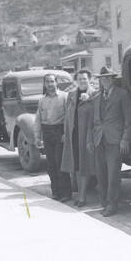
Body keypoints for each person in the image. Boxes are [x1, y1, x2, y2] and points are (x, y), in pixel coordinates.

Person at [87, 66, 131, 217]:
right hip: (98, 139)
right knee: (100, 174)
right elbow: (91, 122)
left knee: (113, 174)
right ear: (99, 80)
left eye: (108, 78)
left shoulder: (122, 94)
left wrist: (125, 139)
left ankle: (112, 204)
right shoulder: (95, 97)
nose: (105, 80)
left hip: (115, 140)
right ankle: (103, 203)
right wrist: (89, 140)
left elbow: (129, 120)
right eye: (102, 78)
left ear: (112, 79)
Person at [34, 74, 72, 202]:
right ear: (45, 84)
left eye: (52, 81)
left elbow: (68, 117)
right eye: (47, 82)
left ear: (56, 83)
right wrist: (37, 136)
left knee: (61, 163)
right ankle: (55, 192)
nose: (50, 84)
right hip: (47, 132)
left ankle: (66, 193)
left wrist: (66, 133)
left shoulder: (64, 97)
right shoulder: (42, 100)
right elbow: (38, 119)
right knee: (51, 165)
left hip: (60, 131)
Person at [61, 69, 96, 207]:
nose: (82, 81)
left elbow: (96, 116)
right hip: (73, 134)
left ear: (89, 80)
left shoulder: (94, 94)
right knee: (75, 164)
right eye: (80, 79)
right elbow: (67, 116)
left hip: (87, 135)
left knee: (85, 165)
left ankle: (82, 196)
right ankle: (79, 194)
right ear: (76, 81)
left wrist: (90, 100)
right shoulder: (71, 94)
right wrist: (65, 133)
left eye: (85, 79)